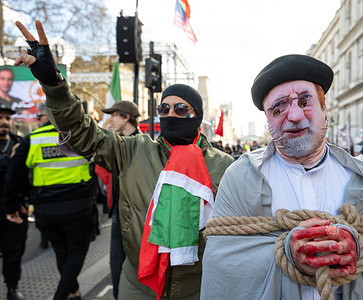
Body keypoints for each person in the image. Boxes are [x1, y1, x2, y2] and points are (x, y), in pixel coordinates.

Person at [14, 20, 234, 300]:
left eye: (180, 109)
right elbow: (83, 133)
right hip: (138, 282)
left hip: (201, 286)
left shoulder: (225, 166)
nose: (169, 114)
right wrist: (53, 83)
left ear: (197, 118)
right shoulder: (133, 149)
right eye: (164, 108)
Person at [200, 54, 363, 299]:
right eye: (278, 108)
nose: (293, 116)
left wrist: (357, 246)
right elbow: (224, 264)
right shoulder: (239, 177)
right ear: (268, 120)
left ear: (324, 110)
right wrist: (286, 255)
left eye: (304, 102)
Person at [3, 102, 95, 300]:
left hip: (46, 209)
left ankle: (74, 292)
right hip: (78, 206)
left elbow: (15, 177)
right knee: (77, 251)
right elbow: (93, 171)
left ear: (46, 116)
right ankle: (61, 296)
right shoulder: (80, 137)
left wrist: (11, 206)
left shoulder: (31, 140)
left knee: (61, 251)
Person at [101, 100, 142, 299]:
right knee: (116, 263)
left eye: (115, 114)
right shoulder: (118, 144)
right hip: (119, 211)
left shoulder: (143, 147)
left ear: (126, 117)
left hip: (136, 216)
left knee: (137, 264)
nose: (111, 119)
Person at [0, 103, 28, 300]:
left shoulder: (19, 143)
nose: (4, 122)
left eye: (7, 119)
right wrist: (10, 161)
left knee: (14, 252)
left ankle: (12, 287)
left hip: (15, 210)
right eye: (0, 118)